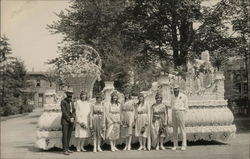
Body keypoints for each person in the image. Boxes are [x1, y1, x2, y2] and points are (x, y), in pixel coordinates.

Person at [171, 84, 188, 151]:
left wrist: (184, 113)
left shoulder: (183, 96)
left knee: (182, 129)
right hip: (174, 112)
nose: (175, 90)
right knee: (174, 129)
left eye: (177, 89)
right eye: (174, 89)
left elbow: (186, 106)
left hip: (181, 111)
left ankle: (183, 145)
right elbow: (171, 104)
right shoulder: (172, 96)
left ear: (179, 89)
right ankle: (175, 145)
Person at [60, 88, 76, 155]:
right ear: (66, 94)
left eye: (71, 94)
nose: (70, 95)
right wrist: (69, 119)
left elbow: (74, 111)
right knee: (65, 135)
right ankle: (64, 150)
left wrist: (73, 117)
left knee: (69, 135)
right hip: (65, 121)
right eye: (68, 94)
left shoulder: (72, 102)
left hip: (71, 121)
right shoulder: (63, 101)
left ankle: (67, 148)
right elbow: (64, 112)